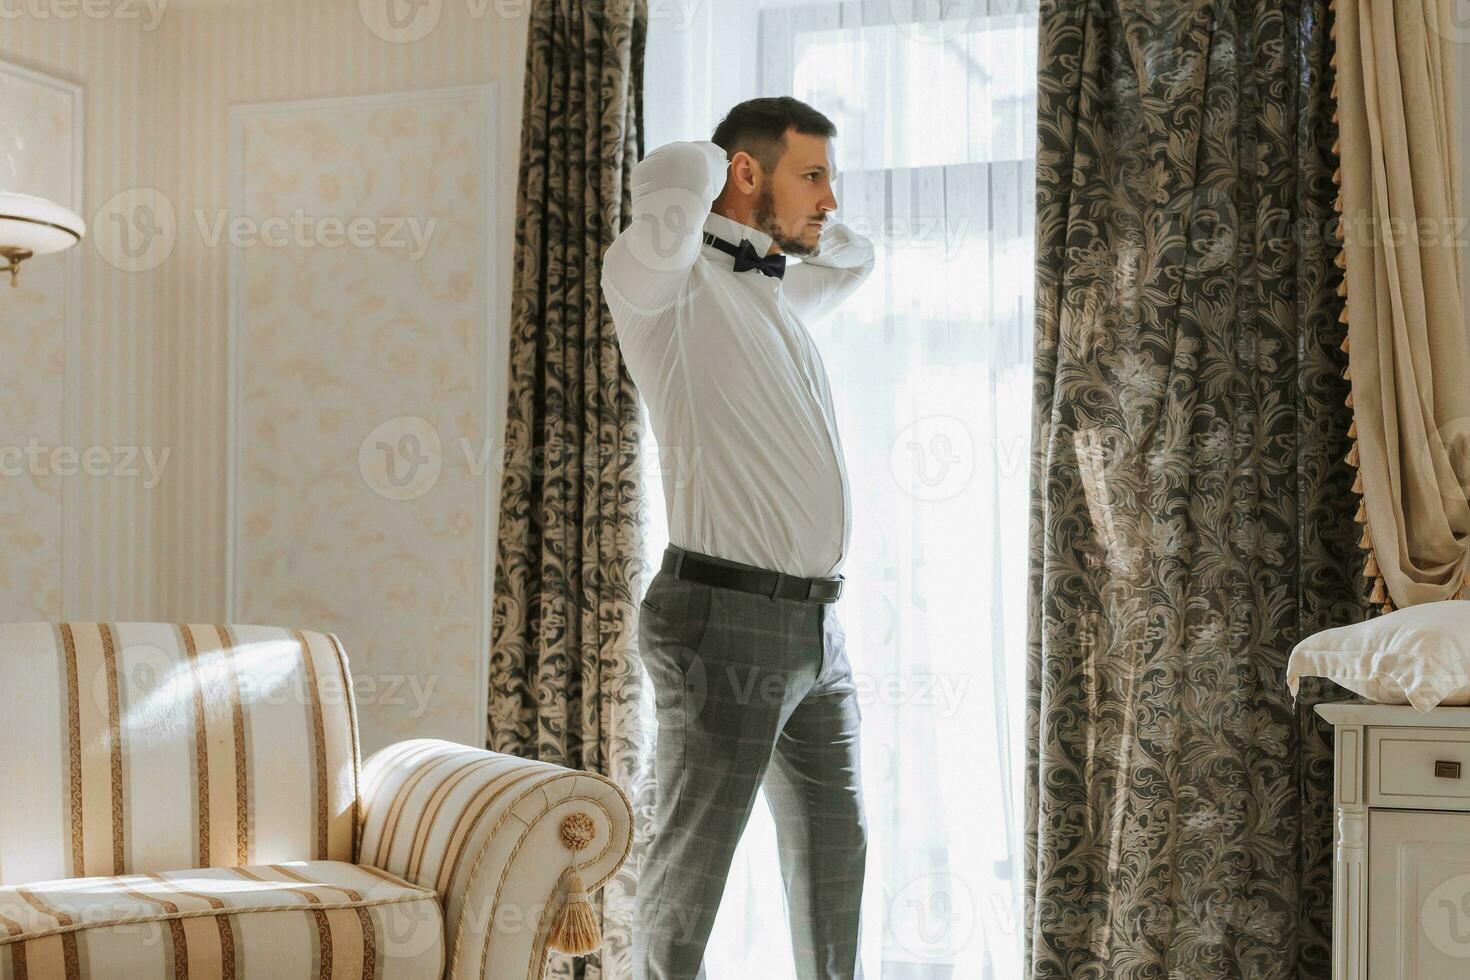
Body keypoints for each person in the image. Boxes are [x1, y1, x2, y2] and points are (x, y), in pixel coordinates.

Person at [600, 95, 875, 980]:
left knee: (838, 864)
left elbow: (856, 254)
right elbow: (677, 182)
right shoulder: (660, 287)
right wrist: (720, 170)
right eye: (813, 174)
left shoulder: (774, 293)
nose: (830, 198)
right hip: (722, 615)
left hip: (817, 631)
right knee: (690, 880)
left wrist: (780, 215)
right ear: (744, 173)